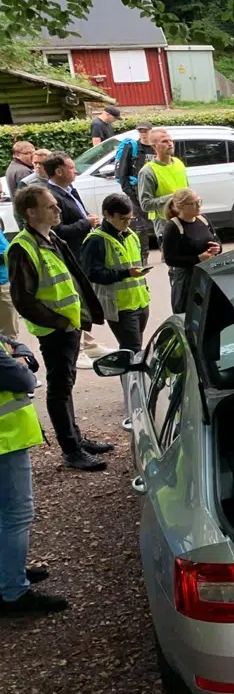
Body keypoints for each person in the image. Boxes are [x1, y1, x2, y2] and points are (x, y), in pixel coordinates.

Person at [6, 185, 111, 471]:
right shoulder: (23, 247)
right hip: (55, 330)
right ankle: (71, 449)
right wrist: (61, 322)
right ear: (31, 212)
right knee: (59, 388)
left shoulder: (50, 238)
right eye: (50, 206)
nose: (58, 209)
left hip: (68, 326)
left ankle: (75, 438)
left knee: (66, 383)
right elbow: (23, 300)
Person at [0, 328, 63, 615]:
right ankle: (13, 592)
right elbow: (24, 378)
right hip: (5, 440)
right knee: (16, 514)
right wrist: (21, 362)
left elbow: (14, 343)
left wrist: (19, 354)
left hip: (7, 439)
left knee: (6, 514)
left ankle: (8, 571)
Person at [80, 194, 150, 355]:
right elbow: (91, 273)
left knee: (135, 348)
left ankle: (132, 377)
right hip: (119, 307)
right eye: (122, 219)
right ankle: (130, 378)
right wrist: (125, 273)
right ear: (107, 215)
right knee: (131, 350)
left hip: (140, 301)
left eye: (130, 218)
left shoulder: (131, 235)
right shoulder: (96, 240)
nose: (127, 223)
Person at [161, 188, 222, 314]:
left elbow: (216, 240)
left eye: (199, 201)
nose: (198, 205)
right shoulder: (173, 227)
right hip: (187, 281)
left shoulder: (203, 219)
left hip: (208, 274)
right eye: (193, 203)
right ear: (181, 206)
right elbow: (170, 259)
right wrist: (197, 258)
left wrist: (218, 248)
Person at [37, 153, 99, 253]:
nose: (76, 171)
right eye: (71, 168)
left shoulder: (70, 189)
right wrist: (86, 223)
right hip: (73, 252)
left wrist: (88, 217)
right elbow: (57, 230)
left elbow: (77, 212)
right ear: (58, 172)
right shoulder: (51, 197)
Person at [114, 121, 155, 258]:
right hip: (137, 192)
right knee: (141, 225)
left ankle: (165, 251)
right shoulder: (134, 148)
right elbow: (122, 173)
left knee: (161, 222)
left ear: (151, 131)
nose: (143, 134)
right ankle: (143, 255)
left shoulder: (156, 148)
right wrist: (130, 192)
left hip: (156, 191)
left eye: (146, 131)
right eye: (140, 131)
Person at [136, 129, 187, 232]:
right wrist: (173, 197)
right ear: (154, 147)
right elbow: (146, 204)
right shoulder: (148, 171)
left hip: (186, 218)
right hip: (165, 224)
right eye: (164, 141)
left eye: (171, 140)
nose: (170, 144)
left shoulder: (178, 163)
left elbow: (187, 189)